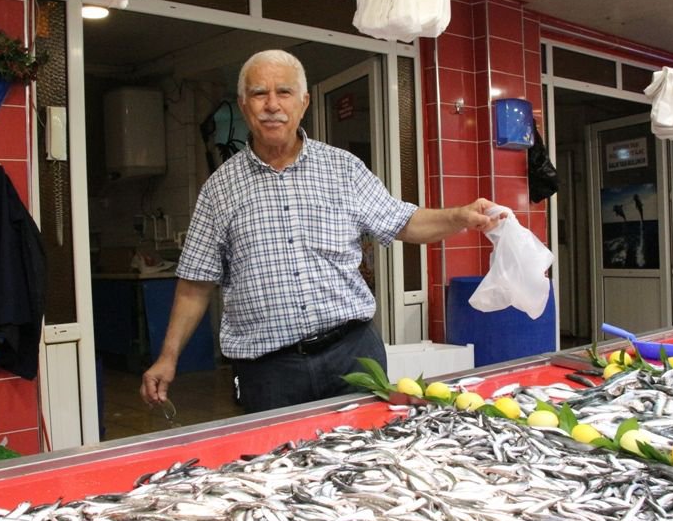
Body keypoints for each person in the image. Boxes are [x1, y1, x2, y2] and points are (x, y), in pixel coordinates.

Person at [141, 49, 509, 413]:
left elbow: (403, 221)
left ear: (304, 102)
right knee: (277, 466)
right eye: (259, 93)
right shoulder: (219, 188)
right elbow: (195, 285)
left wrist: (460, 216)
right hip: (268, 371)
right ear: (243, 105)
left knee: (367, 458)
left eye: (283, 92)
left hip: (351, 356)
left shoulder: (343, 169)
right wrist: (168, 358)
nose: (272, 104)